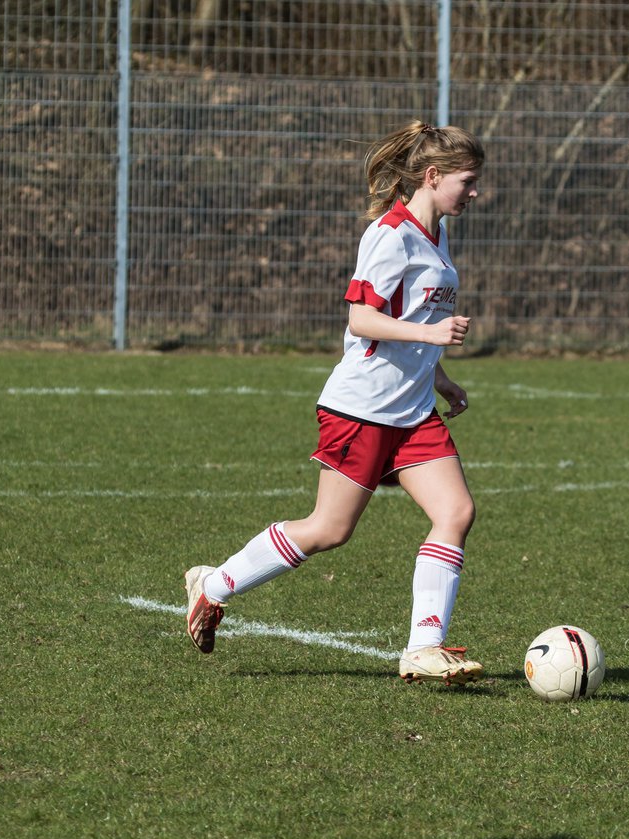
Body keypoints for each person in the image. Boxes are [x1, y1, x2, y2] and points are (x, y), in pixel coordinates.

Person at [184, 120, 485, 684]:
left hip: (413, 409)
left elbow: (412, 320)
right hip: (363, 408)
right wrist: (433, 336)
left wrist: (440, 378)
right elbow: (362, 319)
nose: (475, 193)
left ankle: (424, 647)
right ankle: (216, 584)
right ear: (433, 175)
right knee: (328, 529)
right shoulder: (391, 236)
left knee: (456, 512)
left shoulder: (436, 233)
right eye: (467, 182)